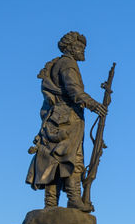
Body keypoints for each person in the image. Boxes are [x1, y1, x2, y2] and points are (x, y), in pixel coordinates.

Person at [26, 31, 106, 212]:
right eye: (80, 47)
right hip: (66, 120)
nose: (83, 50)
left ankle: (51, 204)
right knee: (72, 159)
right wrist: (94, 105)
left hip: (57, 119)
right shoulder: (68, 64)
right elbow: (74, 91)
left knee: (55, 161)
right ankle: (74, 198)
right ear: (70, 47)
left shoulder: (61, 63)